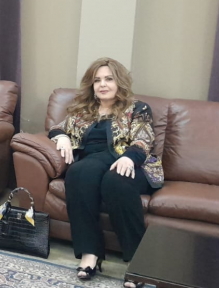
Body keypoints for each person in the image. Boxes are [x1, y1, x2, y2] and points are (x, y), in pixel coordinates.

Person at [49, 57, 163, 288]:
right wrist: (61, 137)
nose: (102, 84)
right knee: (78, 173)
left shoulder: (137, 108)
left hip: (133, 164)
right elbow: (58, 128)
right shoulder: (83, 111)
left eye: (109, 79)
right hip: (93, 164)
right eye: (97, 80)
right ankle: (90, 253)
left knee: (115, 182)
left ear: (119, 82)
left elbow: (144, 139)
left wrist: (129, 158)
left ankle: (138, 263)